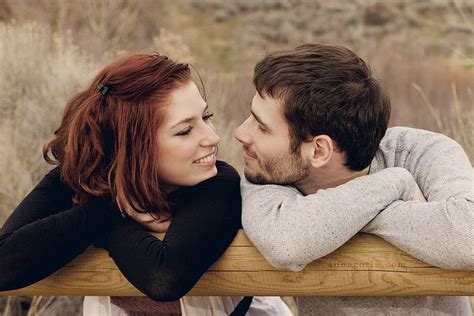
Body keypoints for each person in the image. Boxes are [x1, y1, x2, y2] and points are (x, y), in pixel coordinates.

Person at [0, 53, 291, 315]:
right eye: (186, 130)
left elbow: (163, 279)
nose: (213, 137)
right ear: (134, 146)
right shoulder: (81, 179)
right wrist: (105, 212)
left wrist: (104, 222)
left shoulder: (216, 184)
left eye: (206, 117)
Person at [234, 44, 474, 315]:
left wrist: (340, 219)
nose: (240, 132)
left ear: (319, 150)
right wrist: (395, 184)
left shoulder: (420, 151)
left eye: (261, 127)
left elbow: (469, 236)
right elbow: (286, 243)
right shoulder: (263, 172)